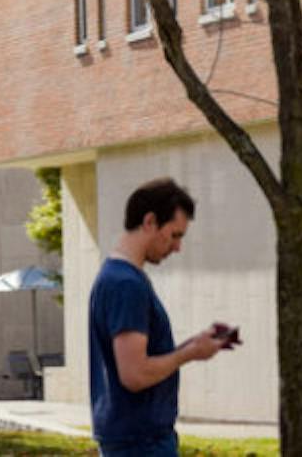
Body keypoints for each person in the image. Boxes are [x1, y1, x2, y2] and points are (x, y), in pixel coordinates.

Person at [88, 177, 236, 456]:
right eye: (175, 235)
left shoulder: (119, 278)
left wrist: (191, 345)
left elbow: (139, 361)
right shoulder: (126, 284)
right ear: (149, 222)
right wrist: (188, 354)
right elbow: (135, 374)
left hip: (138, 440)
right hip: (142, 444)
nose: (178, 247)